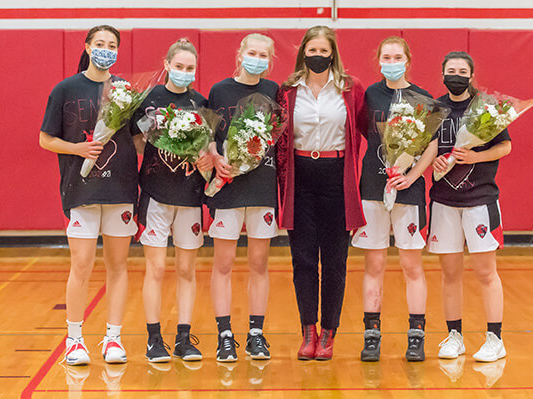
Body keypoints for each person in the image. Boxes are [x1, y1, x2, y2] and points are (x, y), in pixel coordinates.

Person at [39, 25, 136, 365]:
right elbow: (45, 139)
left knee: (118, 266)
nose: (106, 49)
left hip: (121, 188)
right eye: (100, 44)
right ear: (88, 46)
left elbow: (136, 139)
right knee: (81, 264)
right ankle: (75, 339)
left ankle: (113, 338)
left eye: (112, 45)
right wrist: (78, 149)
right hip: (80, 189)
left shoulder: (125, 90)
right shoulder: (65, 89)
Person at [277, 25, 368, 361]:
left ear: (333, 53)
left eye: (323, 51)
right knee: (302, 260)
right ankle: (307, 331)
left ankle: (329, 332)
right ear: (303, 53)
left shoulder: (350, 88)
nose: (317, 56)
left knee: (334, 261)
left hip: (336, 177)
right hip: (300, 178)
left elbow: (370, 131)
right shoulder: (288, 89)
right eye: (311, 50)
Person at [353, 36, 436, 362]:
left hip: (409, 193)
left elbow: (430, 144)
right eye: (386, 56)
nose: (391, 61)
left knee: (411, 264)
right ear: (379, 60)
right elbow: (364, 131)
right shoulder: (370, 95)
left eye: (397, 56)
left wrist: (411, 175)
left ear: (407, 59)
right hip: (373, 190)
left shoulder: (423, 97)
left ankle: (416, 334)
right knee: (373, 264)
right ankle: (371, 334)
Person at [130, 38, 213, 363]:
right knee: (156, 267)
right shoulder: (149, 99)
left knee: (186, 270)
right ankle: (154, 339)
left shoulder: (200, 103)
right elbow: (137, 141)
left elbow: (208, 149)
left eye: (189, 68)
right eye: (178, 66)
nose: (183, 72)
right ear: (166, 65)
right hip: (155, 194)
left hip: (190, 196)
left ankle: (183, 337)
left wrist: (202, 157)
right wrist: (165, 146)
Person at [430, 51, 511, 363]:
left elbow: (505, 145)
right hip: (444, 202)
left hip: (480, 201)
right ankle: (454, 336)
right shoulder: (434, 108)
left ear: (471, 75)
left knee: (485, 272)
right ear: (443, 74)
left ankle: (495, 338)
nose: (456, 75)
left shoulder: (486, 108)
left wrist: (476, 156)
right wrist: (434, 161)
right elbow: (426, 150)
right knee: (450, 274)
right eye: (451, 70)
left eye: (462, 71)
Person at [207, 33, 279, 362]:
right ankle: (224, 335)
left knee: (259, 263)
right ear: (240, 53)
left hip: (262, 185)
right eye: (252, 52)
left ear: (270, 59)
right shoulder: (220, 91)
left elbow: (278, 134)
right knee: (223, 264)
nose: (257, 58)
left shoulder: (273, 91)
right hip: (228, 187)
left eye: (263, 55)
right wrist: (216, 157)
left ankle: (256, 334)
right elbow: (208, 136)